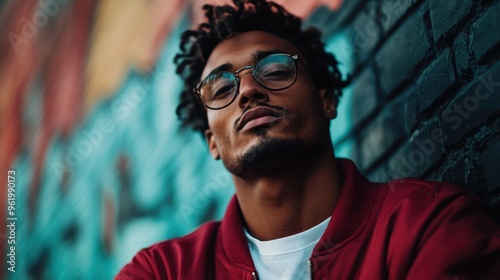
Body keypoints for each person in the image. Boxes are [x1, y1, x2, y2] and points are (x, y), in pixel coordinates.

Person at [116, 0, 500, 279]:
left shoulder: (426, 225)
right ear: (212, 142)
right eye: (221, 88)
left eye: (276, 69)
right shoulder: (162, 271)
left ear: (326, 100)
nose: (248, 89)